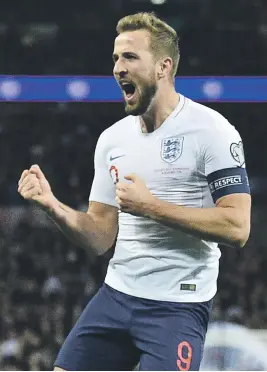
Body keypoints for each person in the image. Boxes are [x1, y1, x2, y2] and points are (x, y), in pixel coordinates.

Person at [18, 12, 251, 371]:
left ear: (163, 67)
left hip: (176, 308)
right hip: (116, 296)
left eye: (130, 57)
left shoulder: (213, 132)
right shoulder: (112, 140)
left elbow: (238, 228)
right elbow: (99, 237)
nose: (118, 68)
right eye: (115, 58)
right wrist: (52, 206)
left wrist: (152, 207)